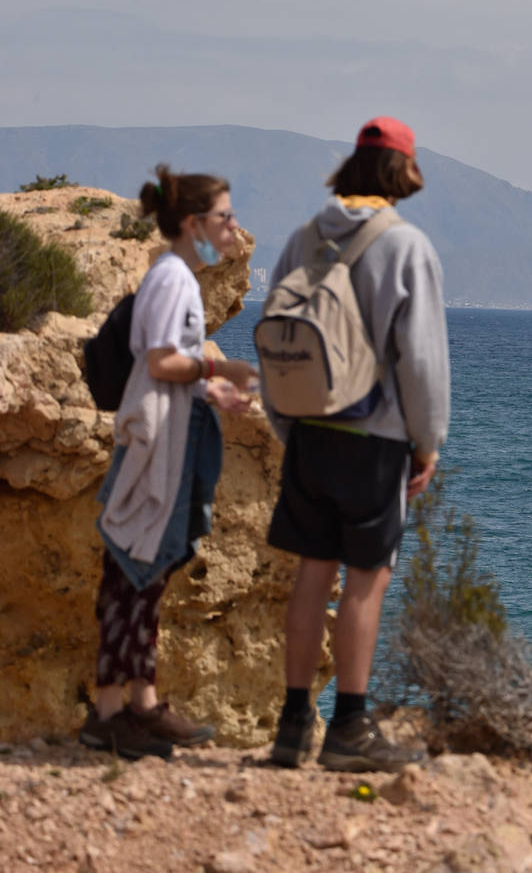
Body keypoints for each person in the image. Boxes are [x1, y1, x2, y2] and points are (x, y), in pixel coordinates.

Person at [265, 116, 450, 773]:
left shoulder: (301, 240)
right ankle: (349, 727)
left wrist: (287, 426)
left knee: (311, 575)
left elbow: (275, 335)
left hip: (309, 432)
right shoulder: (407, 248)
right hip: (375, 440)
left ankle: (291, 728)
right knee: (365, 581)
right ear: (403, 171)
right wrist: (426, 445)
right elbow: (421, 362)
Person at [79, 165, 258, 760]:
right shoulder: (173, 279)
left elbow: (168, 367)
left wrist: (213, 393)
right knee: (132, 574)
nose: (232, 228)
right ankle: (112, 712)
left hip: (167, 439)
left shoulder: (176, 277)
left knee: (144, 576)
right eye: (223, 217)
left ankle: (139, 704)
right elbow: (159, 362)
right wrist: (218, 370)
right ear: (192, 223)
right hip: (153, 447)